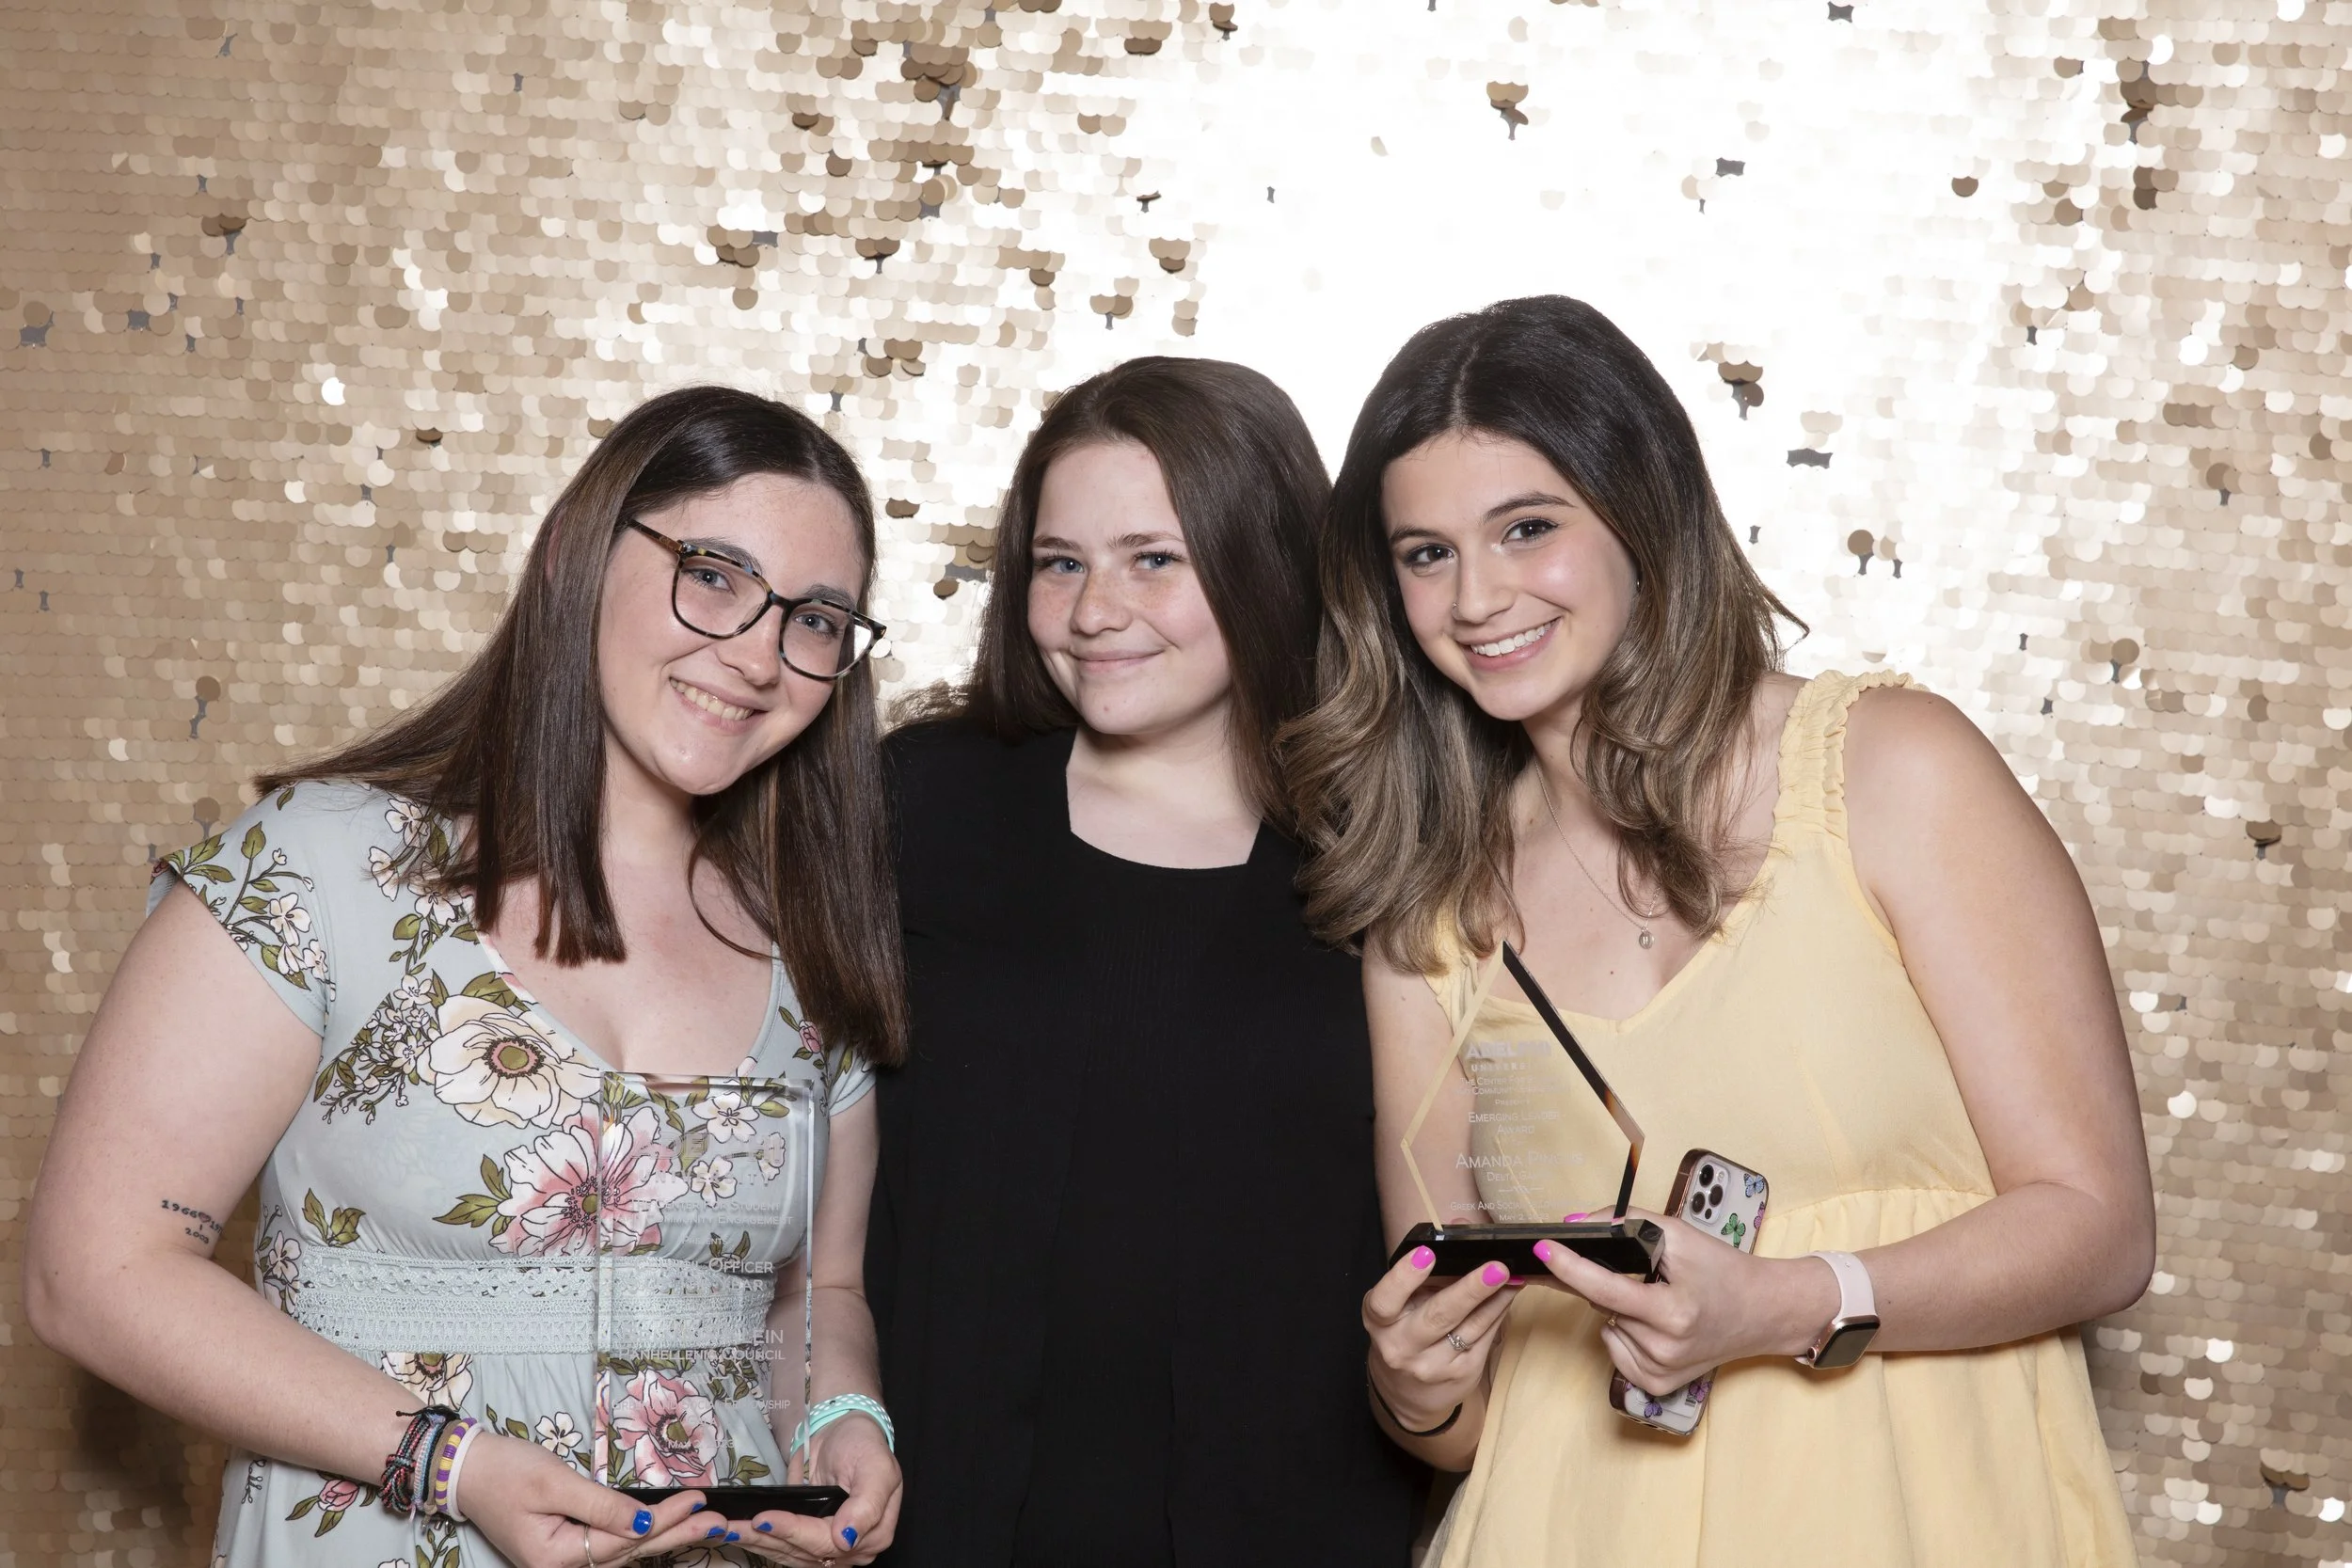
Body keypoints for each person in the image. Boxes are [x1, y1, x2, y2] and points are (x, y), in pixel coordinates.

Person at [1284, 296, 2154, 1566]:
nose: (1475, 597)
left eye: (1527, 528)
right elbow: (1461, 1423)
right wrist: (1413, 1387)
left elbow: (2098, 1223)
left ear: (1643, 511)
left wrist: (1789, 1302)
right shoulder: (1430, 913)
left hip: (1922, 1513)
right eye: (1425, 553)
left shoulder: (1890, 769)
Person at [25, 387, 908, 1568]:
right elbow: (92, 1271)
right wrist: (457, 1464)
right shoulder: (322, 865)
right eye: (713, 573)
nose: (758, 652)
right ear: (572, 559)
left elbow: (818, 1296)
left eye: (815, 620)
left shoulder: (811, 943)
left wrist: (846, 1416)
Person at [866, 357, 1426, 1568]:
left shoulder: (1388, 856)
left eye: (1152, 558)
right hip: (935, 1523)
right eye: (1059, 561)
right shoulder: (922, 806)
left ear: (1265, 559)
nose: (1091, 610)